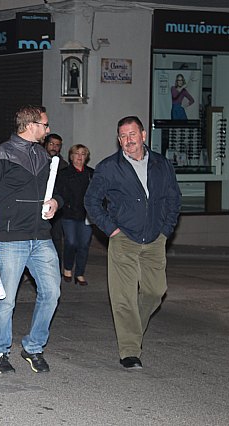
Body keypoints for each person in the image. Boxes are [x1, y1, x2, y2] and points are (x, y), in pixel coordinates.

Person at [84, 115, 181, 370]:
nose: (128, 140)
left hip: (154, 239)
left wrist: (165, 230)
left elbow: (174, 199)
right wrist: (111, 230)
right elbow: (91, 201)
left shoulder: (161, 164)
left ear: (143, 135)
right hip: (123, 239)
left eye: (132, 134)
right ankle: (130, 351)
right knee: (123, 297)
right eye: (123, 136)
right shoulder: (109, 167)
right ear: (119, 140)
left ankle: (132, 329)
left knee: (154, 291)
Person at [0, 105, 62, 374]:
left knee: (52, 293)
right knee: (6, 299)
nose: (48, 130)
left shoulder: (42, 155)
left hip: (41, 236)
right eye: (45, 125)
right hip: (11, 238)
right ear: (30, 125)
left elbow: (56, 190)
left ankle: (33, 347)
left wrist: (56, 202)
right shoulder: (3, 154)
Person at [55, 144, 94, 286]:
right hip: (68, 214)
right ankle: (67, 268)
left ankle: (80, 273)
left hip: (86, 215)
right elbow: (59, 193)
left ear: (86, 157)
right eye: (76, 153)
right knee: (71, 242)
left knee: (83, 244)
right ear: (71, 157)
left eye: (83, 154)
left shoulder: (91, 174)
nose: (79, 156)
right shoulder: (64, 173)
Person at [43, 133, 68, 273]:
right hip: (38, 205)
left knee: (56, 239)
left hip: (56, 208)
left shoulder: (63, 166)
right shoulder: (38, 160)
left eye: (57, 145)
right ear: (46, 144)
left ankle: (56, 272)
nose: (54, 147)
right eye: (52, 144)